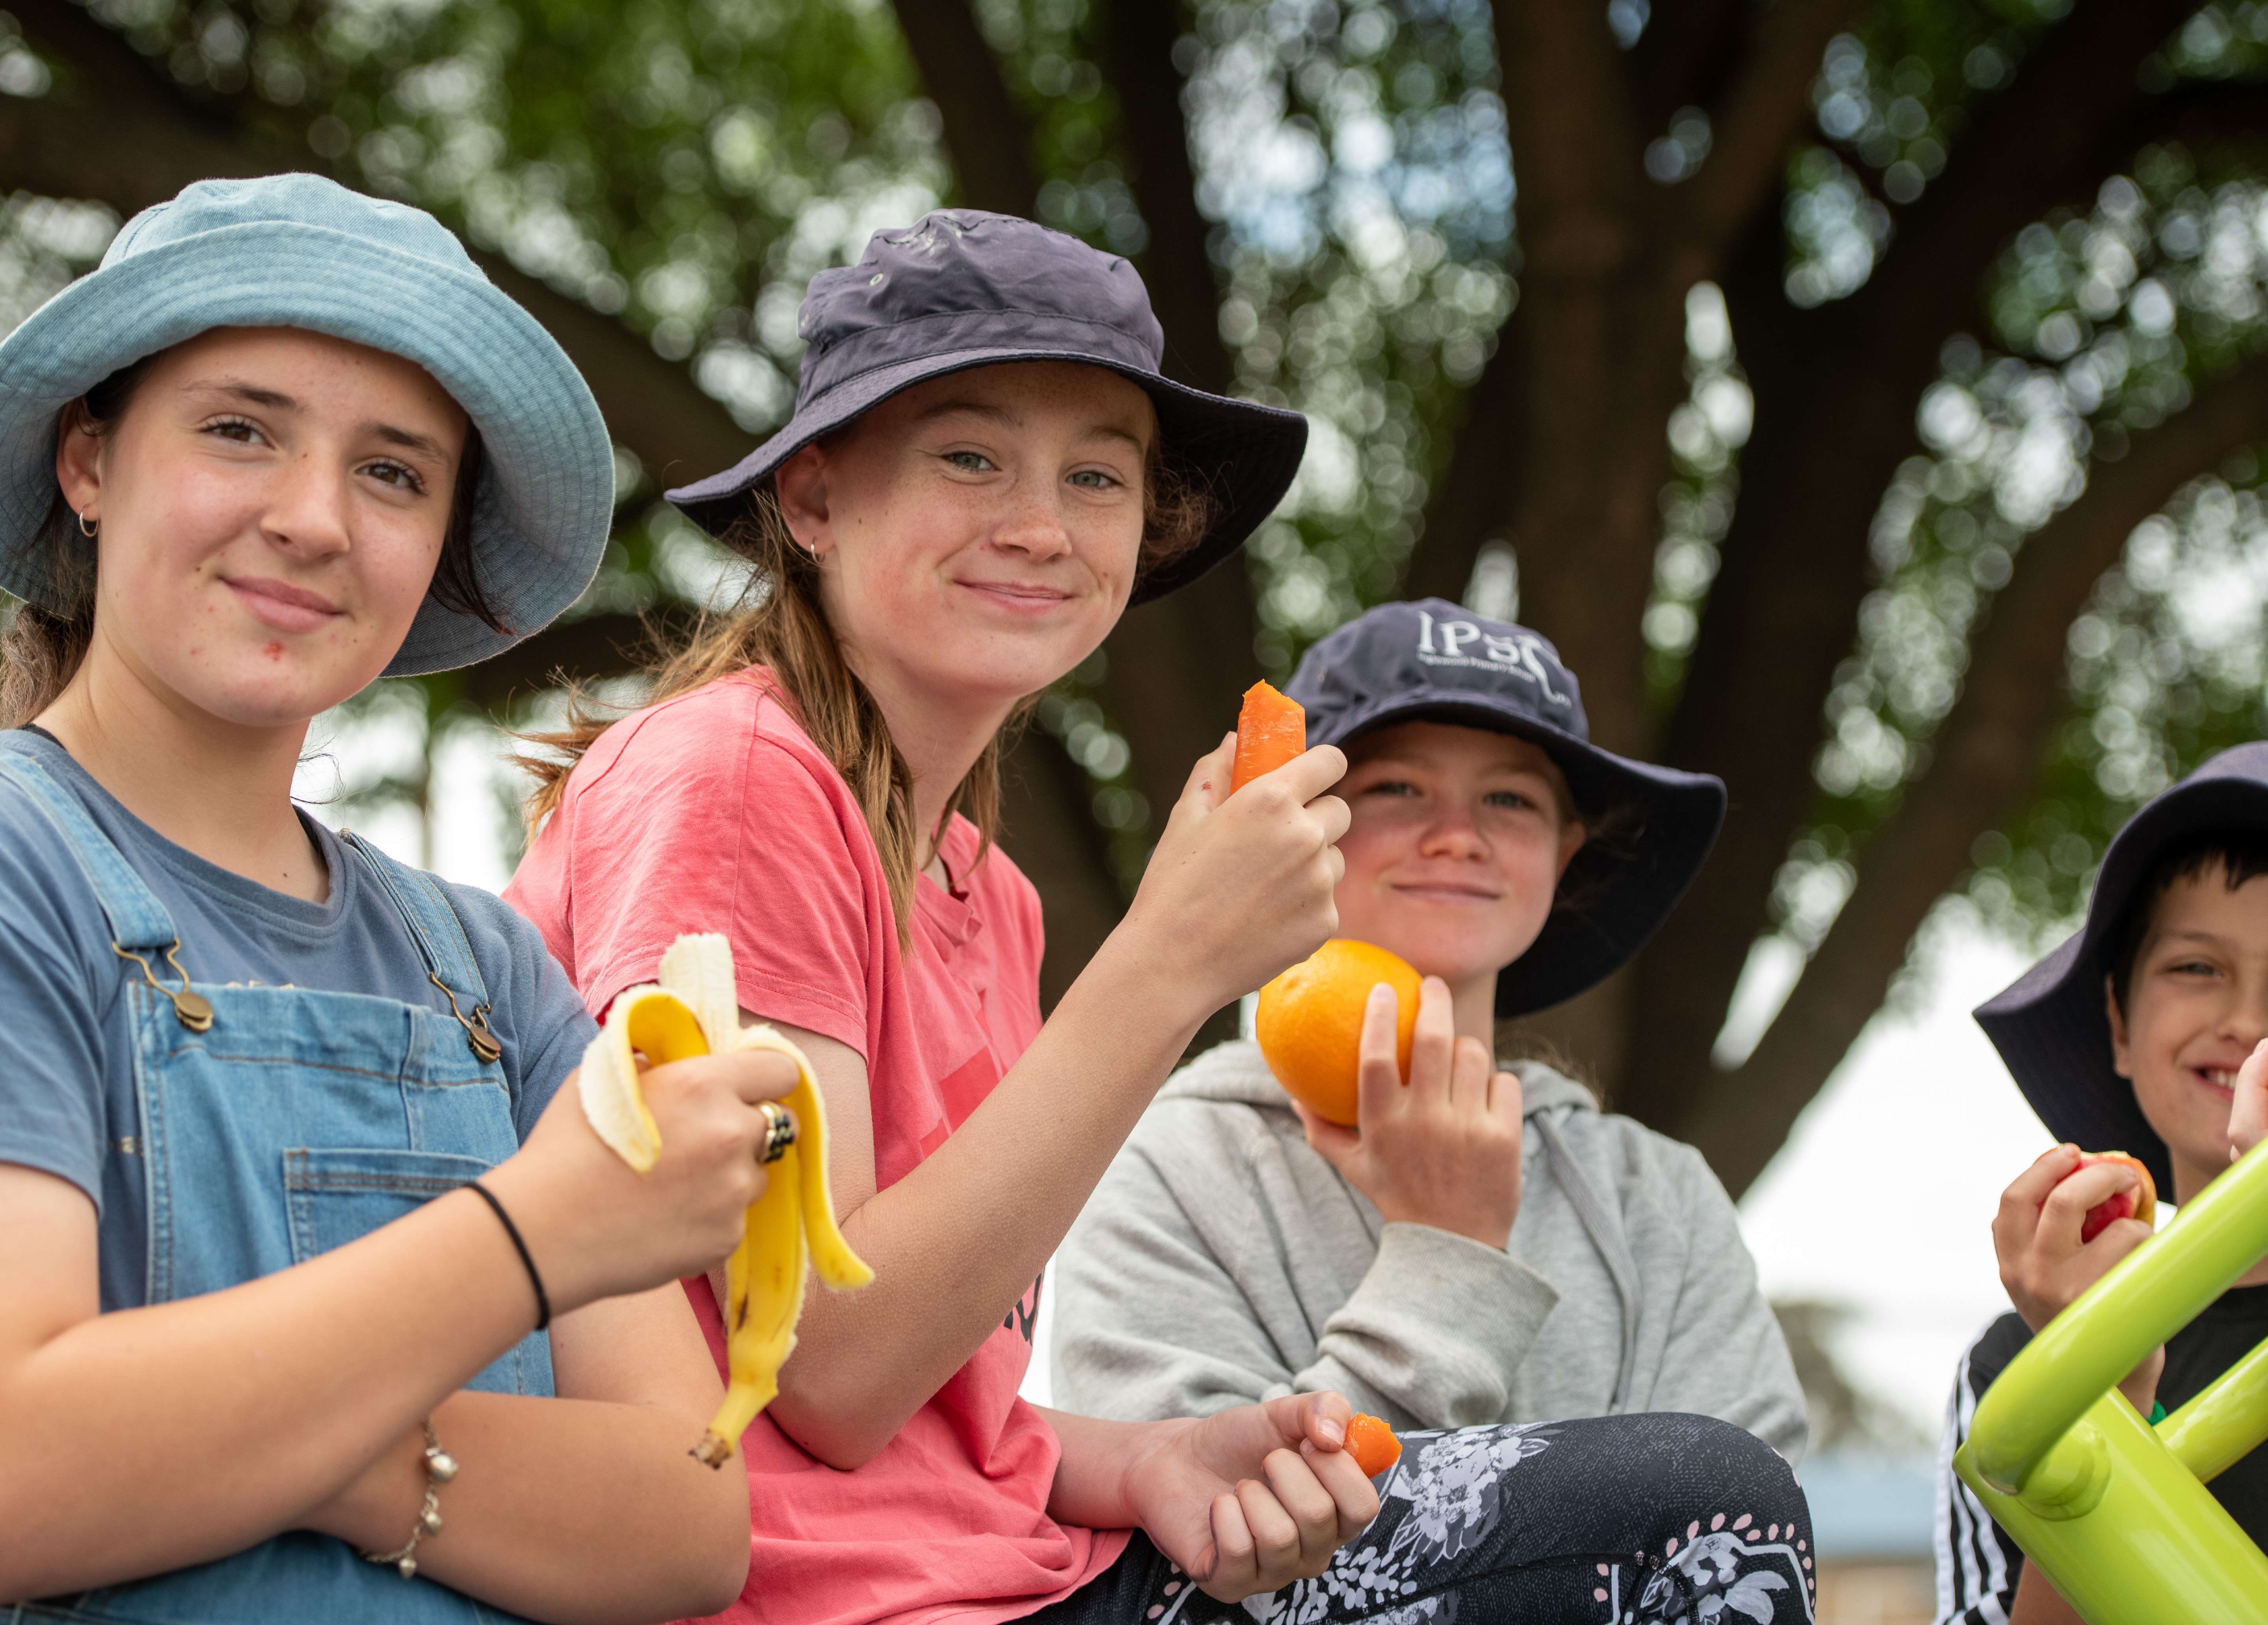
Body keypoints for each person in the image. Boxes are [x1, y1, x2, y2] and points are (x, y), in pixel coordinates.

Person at [510, 213, 1811, 1625]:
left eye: (1096, 476)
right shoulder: (736, 772)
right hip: (822, 1602)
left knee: (1715, 1487)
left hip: (1010, 1574)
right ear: (813, 499)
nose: (1039, 523)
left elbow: (943, 1421)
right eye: (969, 454)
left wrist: (1155, 1456)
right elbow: (824, 1363)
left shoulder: (979, 885)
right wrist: (1170, 956)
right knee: (1693, 1504)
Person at [0, 175, 799, 1625]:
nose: (312, 518)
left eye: (394, 471)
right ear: (90, 463)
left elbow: (684, 1522)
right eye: (240, 429)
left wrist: (282, 1443)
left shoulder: (488, 970)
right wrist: (533, 1239)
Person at [1048, 602, 1807, 1443]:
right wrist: (1449, 1258)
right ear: (1298, 828)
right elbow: (1190, 1559)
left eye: (1511, 800)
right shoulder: (1160, 1168)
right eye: (1398, 788)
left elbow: (1742, 1542)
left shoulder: (1660, 1198)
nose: (1457, 837)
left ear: (1564, 853)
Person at [1934, 742, 2268, 1625]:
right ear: (2119, 1022)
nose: (2247, 1021)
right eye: (2198, 967)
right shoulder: (2017, 1368)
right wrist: (2099, 1385)